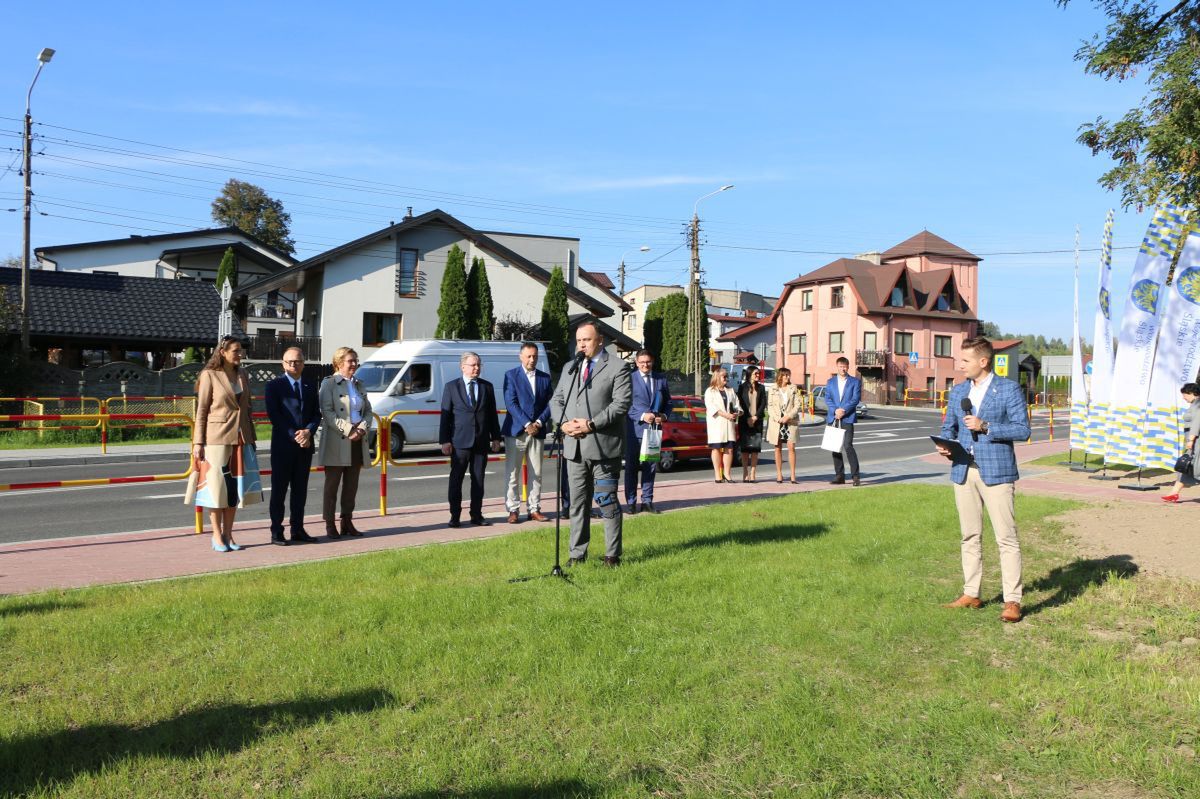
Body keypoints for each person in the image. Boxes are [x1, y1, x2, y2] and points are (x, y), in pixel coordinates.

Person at [936, 336, 1031, 623]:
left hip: (997, 473)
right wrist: (945, 444)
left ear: (983, 361)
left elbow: (1022, 429)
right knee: (969, 535)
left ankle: (1012, 600)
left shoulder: (1008, 389)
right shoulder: (958, 391)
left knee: (1006, 538)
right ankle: (971, 593)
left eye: (964, 360)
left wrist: (985, 426)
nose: (959, 365)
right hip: (964, 470)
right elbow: (948, 426)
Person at [550, 321, 632, 566]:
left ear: (600, 340)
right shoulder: (570, 367)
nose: (581, 344)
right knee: (577, 503)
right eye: (578, 340)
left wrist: (591, 424)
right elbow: (557, 400)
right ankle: (577, 554)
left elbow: (621, 404)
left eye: (586, 339)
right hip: (574, 448)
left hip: (603, 447)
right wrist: (563, 424)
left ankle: (612, 555)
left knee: (606, 501)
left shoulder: (618, 367)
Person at [186, 335, 261, 553]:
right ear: (223, 352)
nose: (240, 354)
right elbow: (201, 411)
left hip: (241, 437)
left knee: (233, 490)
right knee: (216, 489)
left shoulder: (243, 374)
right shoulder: (210, 375)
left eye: (241, 351)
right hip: (216, 438)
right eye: (236, 351)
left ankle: (229, 534)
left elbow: (247, 409)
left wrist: (252, 437)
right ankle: (216, 535)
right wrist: (198, 442)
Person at [264, 347, 320, 545]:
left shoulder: (310, 385)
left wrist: (309, 431)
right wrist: (294, 435)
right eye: (289, 362)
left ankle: (298, 529)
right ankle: (276, 531)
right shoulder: (274, 386)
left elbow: (316, 414)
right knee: (279, 491)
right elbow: (275, 416)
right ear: (283, 364)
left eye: (297, 361)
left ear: (303, 363)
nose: (293, 365)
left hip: (305, 446)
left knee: (300, 491)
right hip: (283, 446)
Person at [440, 351, 502, 527]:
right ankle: (455, 516)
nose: (476, 368)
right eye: (473, 365)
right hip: (459, 442)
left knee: (478, 480)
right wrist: (445, 440)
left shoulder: (486, 387)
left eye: (478, 365)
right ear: (463, 367)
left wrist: (496, 438)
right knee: (456, 480)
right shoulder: (452, 387)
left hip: (481, 441)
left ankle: (476, 514)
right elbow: (445, 416)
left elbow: (492, 415)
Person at [319, 346, 372, 540]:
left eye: (356, 360)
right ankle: (329, 523)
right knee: (332, 485)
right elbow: (327, 413)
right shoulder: (329, 384)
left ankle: (346, 521)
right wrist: (349, 429)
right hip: (337, 440)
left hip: (358, 439)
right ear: (339, 363)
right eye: (350, 361)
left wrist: (361, 428)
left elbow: (368, 410)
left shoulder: (359, 384)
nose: (354, 364)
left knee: (351, 485)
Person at [501, 343, 552, 524]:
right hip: (516, 431)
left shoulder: (545, 378)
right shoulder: (511, 375)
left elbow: (550, 404)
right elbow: (511, 403)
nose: (532, 360)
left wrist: (538, 422)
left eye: (535, 356)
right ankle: (513, 509)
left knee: (536, 472)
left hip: (537, 431)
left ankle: (534, 508)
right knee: (513, 473)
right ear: (521, 357)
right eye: (529, 356)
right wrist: (527, 423)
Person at [624, 349, 671, 514]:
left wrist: (664, 416)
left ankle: (647, 501)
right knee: (631, 467)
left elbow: (668, 402)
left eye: (648, 362)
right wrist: (643, 416)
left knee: (650, 467)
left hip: (653, 431)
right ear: (636, 362)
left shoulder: (661, 379)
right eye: (642, 362)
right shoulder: (629, 379)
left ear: (653, 362)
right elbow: (624, 404)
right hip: (634, 430)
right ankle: (630, 502)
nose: (645, 365)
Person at [826, 356, 862, 486]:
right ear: (837, 367)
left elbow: (855, 399)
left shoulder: (855, 382)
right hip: (834, 417)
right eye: (840, 366)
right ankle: (839, 476)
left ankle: (856, 476)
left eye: (845, 366)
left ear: (848, 367)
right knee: (835, 447)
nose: (843, 368)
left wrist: (843, 410)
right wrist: (836, 410)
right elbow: (828, 399)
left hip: (847, 417)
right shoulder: (830, 382)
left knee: (848, 446)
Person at [1163, 382, 1200, 503]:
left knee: (1192, 466)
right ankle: (1174, 493)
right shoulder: (1194, 405)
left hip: (1196, 441)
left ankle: (1174, 493)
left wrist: (1191, 440)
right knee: (1186, 466)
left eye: (1184, 394)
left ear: (1192, 393)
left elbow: (1197, 423)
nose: (1183, 397)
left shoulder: (1198, 405)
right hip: (1194, 441)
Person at [765, 367, 802, 484]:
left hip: (790, 421)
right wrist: (777, 418)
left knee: (791, 447)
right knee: (778, 447)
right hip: (777, 422)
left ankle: (792, 475)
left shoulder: (793, 388)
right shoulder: (773, 388)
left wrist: (788, 416)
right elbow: (770, 406)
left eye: (789, 375)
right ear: (780, 376)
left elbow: (797, 405)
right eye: (785, 375)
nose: (787, 377)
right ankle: (779, 474)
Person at [704, 367, 741, 483]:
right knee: (716, 449)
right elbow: (712, 408)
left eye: (726, 376)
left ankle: (727, 473)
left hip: (729, 424)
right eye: (724, 376)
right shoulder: (710, 391)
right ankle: (717, 474)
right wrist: (726, 415)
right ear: (717, 377)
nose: (726, 378)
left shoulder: (730, 390)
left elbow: (737, 404)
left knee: (729, 449)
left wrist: (737, 413)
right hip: (717, 425)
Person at [737, 365, 767, 483]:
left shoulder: (761, 388)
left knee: (755, 449)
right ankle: (745, 472)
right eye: (756, 373)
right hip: (744, 421)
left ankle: (753, 472)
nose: (758, 376)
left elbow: (763, 403)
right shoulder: (742, 387)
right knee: (745, 449)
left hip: (757, 421)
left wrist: (755, 417)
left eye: (758, 374)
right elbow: (740, 404)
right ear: (749, 374)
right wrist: (748, 417)